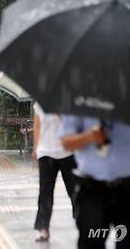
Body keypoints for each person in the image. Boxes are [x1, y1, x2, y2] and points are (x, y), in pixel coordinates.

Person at [61, 117, 130, 249]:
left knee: (129, 244)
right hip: (91, 191)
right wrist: (89, 137)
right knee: (90, 243)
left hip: (129, 190)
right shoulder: (79, 102)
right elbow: (66, 143)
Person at [32, 103, 76, 243]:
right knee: (45, 192)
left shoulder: (70, 100)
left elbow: (76, 125)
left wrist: (61, 113)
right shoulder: (40, 102)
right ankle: (43, 228)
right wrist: (36, 147)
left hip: (67, 152)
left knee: (75, 191)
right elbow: (37, 126)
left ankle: (83, 222)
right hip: (46, 152)